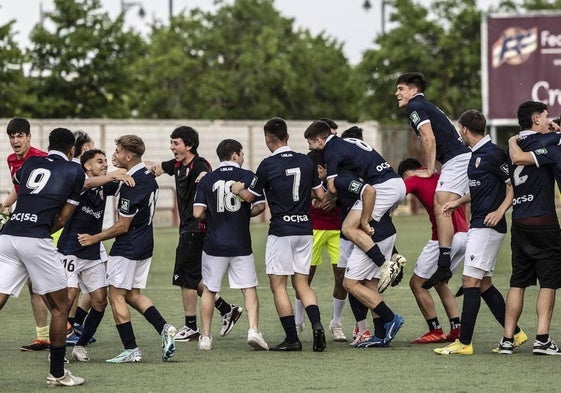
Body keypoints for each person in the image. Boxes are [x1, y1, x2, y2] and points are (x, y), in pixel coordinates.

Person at [433, 110, 527, 355]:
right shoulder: (475, 155)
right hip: (478, 224)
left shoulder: (494, 153)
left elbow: (512, 186)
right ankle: (515, 333)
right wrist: (457, 202)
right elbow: (481, 188)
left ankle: (464, 343)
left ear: (464, 129)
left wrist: (500, 211)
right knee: (483, 283)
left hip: (487, 226)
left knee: (470, 281)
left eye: (459, 129)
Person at [77, 135, 177, 363]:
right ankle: (165, 328)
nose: (114, 155)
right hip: (144, 243)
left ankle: (131, 348)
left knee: (115, 295)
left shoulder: (133, 184)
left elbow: (123, 225)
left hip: (128, 246)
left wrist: (95, 238)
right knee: (132, 294)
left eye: (118, 151)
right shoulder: (144, 175)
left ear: (129, 156)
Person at [232, 117, 327, 352]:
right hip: (305, 229)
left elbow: (251, 198)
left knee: (279, 286)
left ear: (267, 139)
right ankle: (317, 324)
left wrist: (238, 189)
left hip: (281, 230)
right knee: (302, 283)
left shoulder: (266, 165)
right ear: (287, 136)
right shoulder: (306, 162)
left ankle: (293, 339)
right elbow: (320, 195)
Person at [0, 128, 85, 386]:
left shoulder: (31, 163)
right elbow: (62, 218)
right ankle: (58, 373)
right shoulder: (75, 171)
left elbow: (23, 197)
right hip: (36, 239)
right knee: (61, 307)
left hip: (8, 236)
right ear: (72, 150)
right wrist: (39, 231)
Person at [148, 126, 242, 343]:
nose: (172, 147)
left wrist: (204, 176)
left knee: (184, 277)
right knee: (191, 276)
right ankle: (227, 309)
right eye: (171, 143)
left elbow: (208, 175)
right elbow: (156, 167)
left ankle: (191, 327)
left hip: (196, 228)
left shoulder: (200, 164)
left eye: (176, 143)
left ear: (189, 145)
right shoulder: (178, 165)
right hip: (188, 228)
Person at [304, 120, 406, 292]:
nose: (310, 147)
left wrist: (328, 194)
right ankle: (393, 255)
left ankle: (385, 265)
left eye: (311, 143)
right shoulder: (345, 142)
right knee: (360, 226)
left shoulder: (331, 152)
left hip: (383, 187)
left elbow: (332, 186)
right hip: (393, 182)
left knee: (349, 227)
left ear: (320, 141)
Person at [395, 72, 471, 289]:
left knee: (441, 204)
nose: (397, 93)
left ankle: (445, 262)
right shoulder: (426, 105)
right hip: (456, 159)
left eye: (400, 89)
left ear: (413, 89)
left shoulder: (415, 106)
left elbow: (429, 137)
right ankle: (451, 264)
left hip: (456, 160)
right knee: (450, 203)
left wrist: (429, 170)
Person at [57, 149, 134, 362]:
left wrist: (155, 166)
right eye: (99, 161)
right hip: (70, 250)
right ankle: (57, 351)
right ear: (87, 166)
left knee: (100, 301)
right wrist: (113, 175)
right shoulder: (79, 182)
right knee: (68, 297)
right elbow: (88, 183)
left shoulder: (104, 187)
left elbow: (130, 172)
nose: (104, 164)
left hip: (91, 253)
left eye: (105, 161)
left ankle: (80, 346)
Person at [498, 101, 561, 355]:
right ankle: (542, 339)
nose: (549, 120)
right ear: (536, 119)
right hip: (543, 221)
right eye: (546, 116)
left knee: (518, 282)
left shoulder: (517, 143)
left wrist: (513, 139)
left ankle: (506, 340)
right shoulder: (551, 146)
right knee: (548, 282)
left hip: (520, 222)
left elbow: (516, 152)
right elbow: (522, 157)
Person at [193, 139, 268, 351]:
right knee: (248, 288)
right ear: (235, 155)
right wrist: (244, 215)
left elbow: (197, 213)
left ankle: (206, 337)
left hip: (214, 243)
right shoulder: (248, 176)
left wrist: (214, 218)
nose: (243, 158)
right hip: (240, 242)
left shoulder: (208, 179)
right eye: (241, 154)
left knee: (209, 289)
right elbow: (260, 206)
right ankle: (253, 330)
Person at [397, 158, 466, 344]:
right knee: (440, 282)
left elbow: (393, 194)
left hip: (443, 238)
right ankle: (456, 328)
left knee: (417, 283)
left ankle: (434, 329)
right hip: (464, 236)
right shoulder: (442, 175)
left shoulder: (414, 178)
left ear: (406, 173)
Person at [1, 117, 51, 352]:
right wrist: (5, 204)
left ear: (29, 136)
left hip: (45, 227)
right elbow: (19, 189)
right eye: (12, 136)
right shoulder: (12, 159)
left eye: (20, 135)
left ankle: (70, 327)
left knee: (47, 283)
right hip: (24, 227)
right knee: (35, 283)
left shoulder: (41, 158)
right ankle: (44, 336)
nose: (15, 141)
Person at [294, 149, 346, 342]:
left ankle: (336, 324)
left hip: (337, 229)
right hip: (313, 229)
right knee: (304, 277)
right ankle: (298, 323)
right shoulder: (306, 176)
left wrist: (335, 198)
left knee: (341, 277)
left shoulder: (338, 173)